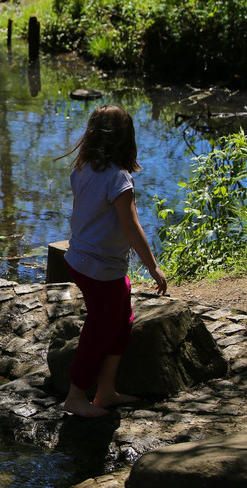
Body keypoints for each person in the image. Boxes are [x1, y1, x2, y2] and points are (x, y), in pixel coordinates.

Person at [58, 105, 168, 418]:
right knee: (100, 329)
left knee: (122, 320)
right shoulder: (119, 179)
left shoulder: (82, 169)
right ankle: (75, 395)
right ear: (126, 140)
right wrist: (153, 265)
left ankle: (106, 391)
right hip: (98, 268)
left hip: (82, 259)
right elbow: (131, 227)